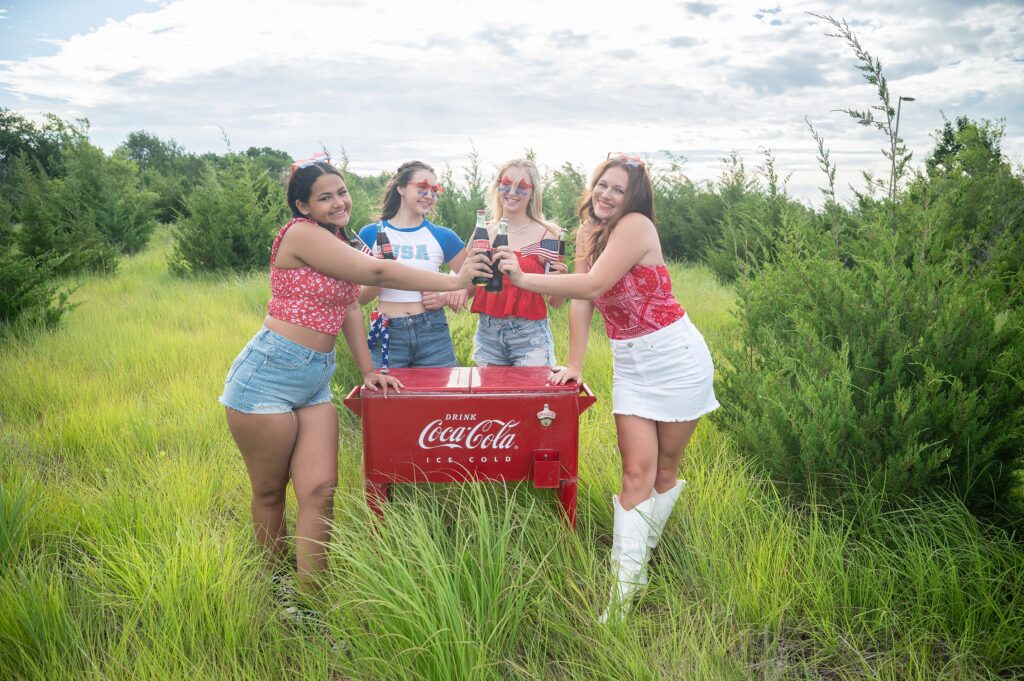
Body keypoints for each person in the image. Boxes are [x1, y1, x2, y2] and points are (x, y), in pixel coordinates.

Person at [219, 156, 489, 597]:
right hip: (267, 375)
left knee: (321, 490)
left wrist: (369, 370)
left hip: (314, 379)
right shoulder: (301, 234)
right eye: (324, 197)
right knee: (270, 493)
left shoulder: (342, 241)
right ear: (303, 206)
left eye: (341, 192)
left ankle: (310, 600)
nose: (338, 202)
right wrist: (453, 278)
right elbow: (378, 272)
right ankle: (276, 588)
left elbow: (352, 302)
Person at [495, 153, 719, 621]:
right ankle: (621, 596)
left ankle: (644, 556)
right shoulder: (588, 232)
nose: (606, 195)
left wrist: (521, 276)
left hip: (675, 358)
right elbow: (584, 296)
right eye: (602, 184)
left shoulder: (636, 226)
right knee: (635, 473)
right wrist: (575, 362)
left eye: (617, 189)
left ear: (632, 197)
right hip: (631, 365)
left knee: (664, 473)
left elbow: (593, 280)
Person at [357, 161, 468, 370]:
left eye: (434, 191)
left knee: (439, 400)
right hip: (387, 331)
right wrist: (380, 275)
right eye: (422, 188)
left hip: (432, 331)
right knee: (384, 400)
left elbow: (475, 279)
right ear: (400, 188)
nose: (430, 196)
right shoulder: (371, 234)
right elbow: (358, 299)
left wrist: (445, 297)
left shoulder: (444, 236)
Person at [468, 159, 568, 366]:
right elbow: (469, 285)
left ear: (532, 193)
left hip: (529, 337)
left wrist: (561, 281)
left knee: (531, 398)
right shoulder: (483, 232)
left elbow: (555, 302)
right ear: (497, 187)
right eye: (506, 184)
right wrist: (446, 295)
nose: (512, 191)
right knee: (491, 398)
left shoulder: (546, 236)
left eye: (521, 187)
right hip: (487, 337)